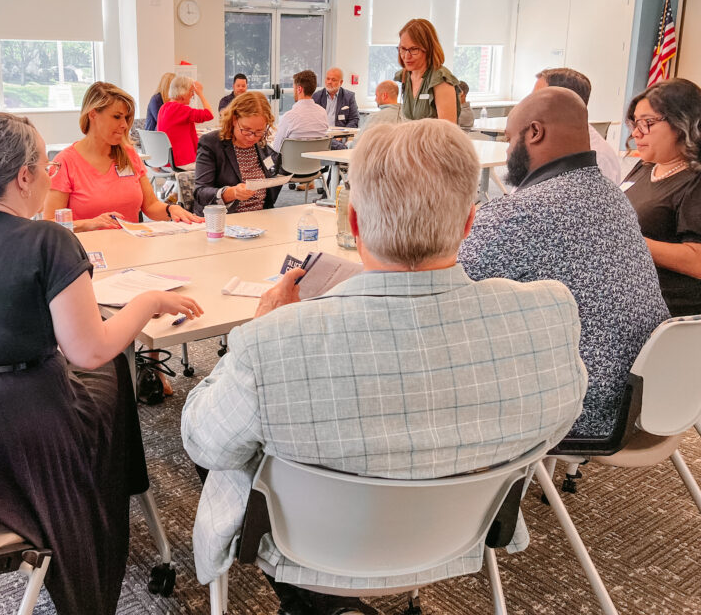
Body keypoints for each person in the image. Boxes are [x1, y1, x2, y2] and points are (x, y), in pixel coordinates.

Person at [182, 119, 587, 611]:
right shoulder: (548, 313)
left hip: (307, 551)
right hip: (459, 541)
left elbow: (204, 443)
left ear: (353, 222)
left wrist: (265, 328)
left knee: (232, 438)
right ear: (469, 223)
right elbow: (556, 425)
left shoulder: (273, 342)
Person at [0, 112, 202, 615]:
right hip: (10, 435)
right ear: (22, 176)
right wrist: (146, 303)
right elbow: (88, 350)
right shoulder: (48, 241)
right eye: (45, 166)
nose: (52, 175)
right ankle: (102, 507)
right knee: (110, 374)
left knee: (90, 380)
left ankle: (106, 488)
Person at [459, 86, 669, 439]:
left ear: (535, 132)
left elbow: (445, 291)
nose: (509, 150)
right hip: (648, 392)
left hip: (583, 406)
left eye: (511, 140)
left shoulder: (519, 212)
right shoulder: (613, 197)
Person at [622, 78, 701, 316]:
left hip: (664, 313)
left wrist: (624, 241)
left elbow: (700, 262)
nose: (637, 133)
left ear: (684, 124)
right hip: (626, 298)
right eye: (635, 123)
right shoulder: (645, 167)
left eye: (648, 123)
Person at [44, 82, 201, 231]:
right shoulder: (65, 162)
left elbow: (151, 206)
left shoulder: (128, 154)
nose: (125, 125)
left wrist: (171, 209)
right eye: (117, 117)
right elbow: (49, 223)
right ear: (93, 114)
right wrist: (89, 224)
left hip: (130, 249)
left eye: (126, 118)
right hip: (87, 253)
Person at [193, 91, 282, 216]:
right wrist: (231, 193)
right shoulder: (211, 143)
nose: (252, 137)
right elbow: (200, 193)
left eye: (259, 131)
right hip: (223, 219)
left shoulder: (261, 145)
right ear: (234, 119)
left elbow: (271, 177)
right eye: (246, 130)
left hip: (261, 217)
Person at [533, 67, 620, 183]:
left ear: (564, 103)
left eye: (537, 98)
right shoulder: (551, 140)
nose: (529, 104)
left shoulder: (597, 159)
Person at [394, 18, 458, 123]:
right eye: (403, 49)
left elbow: (447, 131)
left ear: (428, 48)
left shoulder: (440, 78)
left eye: (414, 49)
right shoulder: (405, 76)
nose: (406, 56)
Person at [156, 74, 214, 167]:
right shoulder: (181, 110)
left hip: (165, 161)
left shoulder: (163, 107)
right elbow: (209, 114)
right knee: (213, 164)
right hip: (181, 162)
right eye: (191, 91)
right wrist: (201, 94)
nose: (192, 95)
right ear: (183, 92)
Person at [271, 69, 328, 152]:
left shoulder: (289, 116)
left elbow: (276, 148)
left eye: (294, 88)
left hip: (291, 164)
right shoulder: (323, 113)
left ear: (299, 89)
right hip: (316, 163)